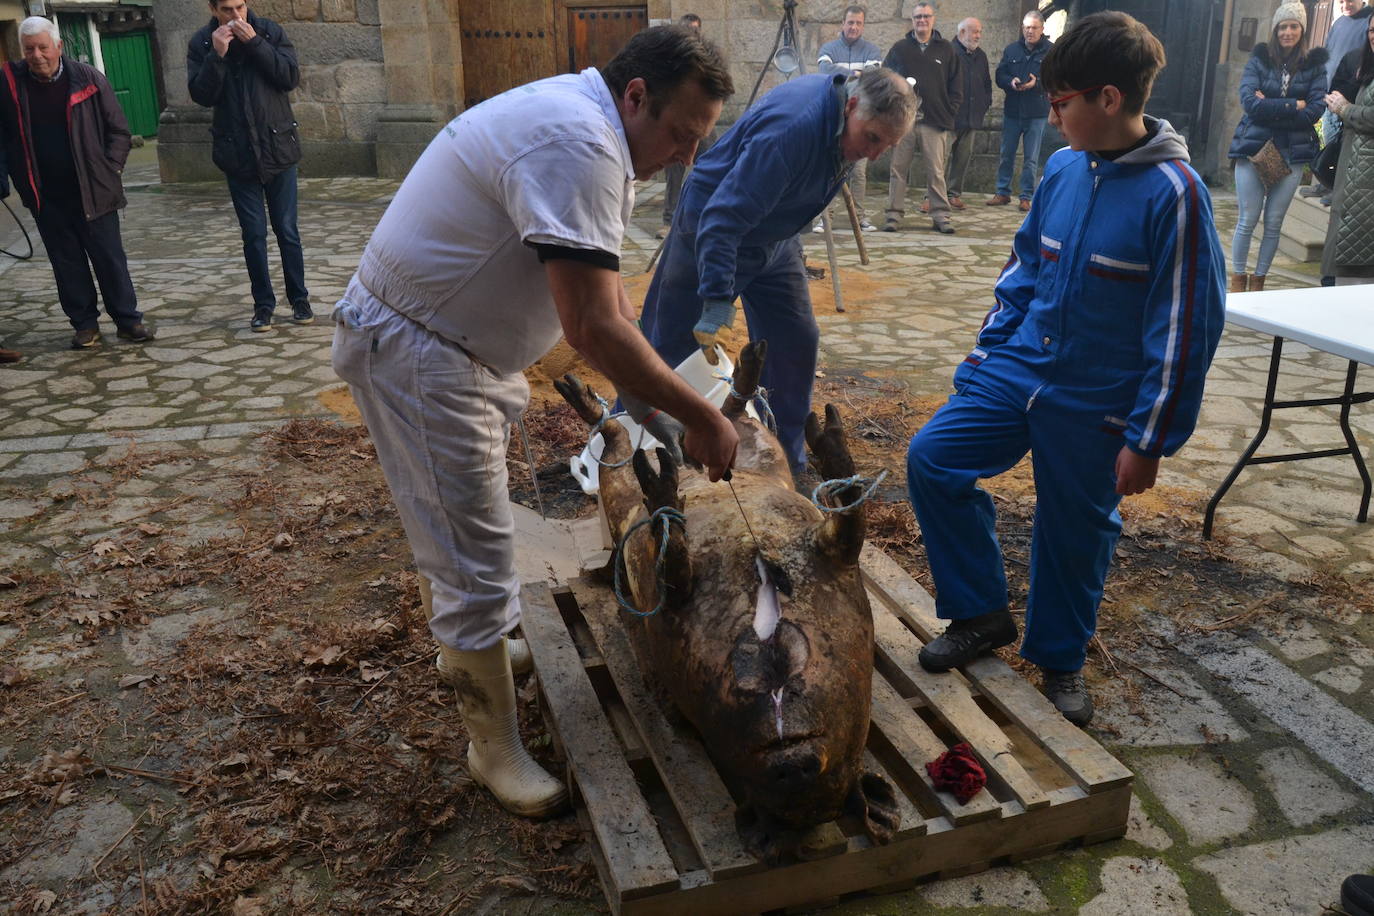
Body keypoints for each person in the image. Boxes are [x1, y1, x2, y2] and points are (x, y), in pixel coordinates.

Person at [331, 26, 738, 819]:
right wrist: (698, 418)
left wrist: (656, 407)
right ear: (636, 96)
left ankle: (482, 645)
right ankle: (493, 748)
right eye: (682, 134)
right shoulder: (578, 141)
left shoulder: (599, 132)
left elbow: (609, 293)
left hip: (452, 347)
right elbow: (589, 327)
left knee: (460, 532)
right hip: (420, 351)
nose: (687, 156)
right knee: (473, 552)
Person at [905, 11, 1225, 727]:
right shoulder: (1061, 169)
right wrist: (986, 353)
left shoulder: (1177, 196)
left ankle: (1060, 655)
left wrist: (1149, 439)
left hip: (1098, 395)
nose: (1051, 118)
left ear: (1108, 99)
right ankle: (980, 612)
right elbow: (1022, 269)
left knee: (1074, 524)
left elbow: (1186, 329)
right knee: (931, 459)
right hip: (1020, 365)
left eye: (1061, 103)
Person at [639, 68, 914, 473]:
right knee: (671, 348)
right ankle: (635, 451)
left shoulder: (848, 119)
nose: (873, 154)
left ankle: (785, 460)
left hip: (775, 237)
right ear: (852, 105)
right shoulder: (791, 132)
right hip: (712, 232)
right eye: (872, 139)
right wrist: (716, 297)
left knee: (796, 339)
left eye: (886, 147)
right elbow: (722, 218)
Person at [0, 17, 152, 351]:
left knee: (110, 259)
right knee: (66, 263)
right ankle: (85, 325)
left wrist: (110, 169)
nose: (37, 55)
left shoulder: (88, 79)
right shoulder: (10, 84)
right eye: (29, 49)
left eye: (43, 47)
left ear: (58, 46)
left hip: (94, 190)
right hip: (46, 194)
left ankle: (128, 320)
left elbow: (119, 132)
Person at [188, 0, 312, 333]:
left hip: (278, 146)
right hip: (237, 152)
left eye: (240, 6)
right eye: (227, 9)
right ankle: (263, 305)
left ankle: (300, 299)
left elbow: (289, 77)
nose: (235, 15)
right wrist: (217, 55)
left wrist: (255, 43)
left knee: (287, 230)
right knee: (253, 235)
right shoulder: (201, 42)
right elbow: (201, 95)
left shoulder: (270, 31)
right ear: (214, 9)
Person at [1226, 3, 1328, 292]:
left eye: (1294, 26)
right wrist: (1293, 104)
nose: (1287, 32)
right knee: (1247, 219)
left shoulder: (1315, 65)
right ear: (1275, 30)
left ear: (1302, 30)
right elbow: (1250, 104)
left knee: (1273, 223)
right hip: (1253, 148)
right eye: (1283, 26)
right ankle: (1237, 282)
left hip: (1292, 152)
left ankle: (1258, 282)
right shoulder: (1258, 60)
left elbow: (1315, 110)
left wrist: (1269, 106)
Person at [883, 2, 963, 234]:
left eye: (926, 17)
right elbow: (887, 78)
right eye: (918, 17)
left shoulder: (946, 50)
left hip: (935, 120)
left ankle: (940, 215)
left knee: (936, 170)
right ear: (912, 20)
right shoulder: (899, 48)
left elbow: (956, 85)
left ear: (933, 19)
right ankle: (893, 215)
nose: (922, 21)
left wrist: (951, 110)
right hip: (903, 120)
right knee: (898, 169)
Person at [814, 4, 883, 232]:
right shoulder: (828, 48)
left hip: (862, 119)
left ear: (863, 26)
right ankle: (826, 218)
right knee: (829, 168)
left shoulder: (872, 50)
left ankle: (860, 218)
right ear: (843, 24)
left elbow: (872, 76)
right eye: (850, 22)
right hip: (834, 116)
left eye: (858, 23)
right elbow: (825, 71)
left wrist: (841, 72)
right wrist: (854, 74)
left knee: (858, 172)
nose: (853, 27)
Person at [1320, 15, 1374, 284]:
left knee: (1356, 274)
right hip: (1355, 176)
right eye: (1372, 30)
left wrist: (1346, 109)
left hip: (1366, 183)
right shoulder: (1364, 64)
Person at [1305, 0, 1371, 199]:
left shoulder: (1368, 21)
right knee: (1328, 139)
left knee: (1341, 144)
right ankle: (1325, 182)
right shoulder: (1339, 22)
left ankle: (1337, 189)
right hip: (1330, 92)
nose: (1345, 5)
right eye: (1341, 1)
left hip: (1351, 96)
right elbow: (1327, 53)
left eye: (1350, 0)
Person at [659, 13, 715, 239]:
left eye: (695, 30)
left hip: (703, 123)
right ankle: (669, 220)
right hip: (678, 123)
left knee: (712, 165)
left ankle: (709, 216)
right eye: (687, 29)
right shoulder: (670, 58)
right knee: (674, 171)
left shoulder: (709, 57)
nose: (691, 34)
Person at [990, 10, 1053, 212]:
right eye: (1027, 27)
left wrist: (1037, 84)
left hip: (1037, 112)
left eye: (1034, 28)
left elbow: (1055, 80)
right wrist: (1011, 81)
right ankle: (1003, 192)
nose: (1030, 31)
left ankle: (1026, 196)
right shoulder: (1011, 50)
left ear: (1042, 29)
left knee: (1031, 158)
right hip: (1013, 111)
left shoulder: (1050, 52)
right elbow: (1000, 75)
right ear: (1022, 28)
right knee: (1006, 154)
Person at [946, 17, 991, 211]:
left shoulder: (981, 56)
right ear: (962, 32)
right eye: (974, 31)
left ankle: (953, 194)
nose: (978, 35)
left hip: (972, 118)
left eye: (979, 31)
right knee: (939, 159)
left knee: (962, 159)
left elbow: (987, 84)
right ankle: (931, 196)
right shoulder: (948, 52)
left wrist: (984, 104)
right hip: (949, 118)